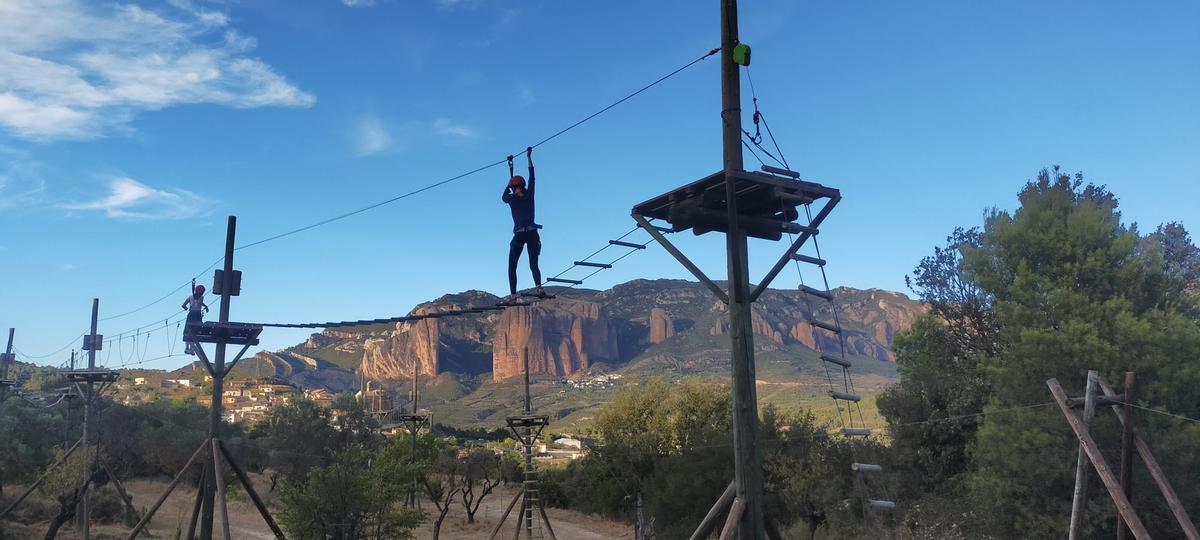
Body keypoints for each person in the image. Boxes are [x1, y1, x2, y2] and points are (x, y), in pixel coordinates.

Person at [503, 147, 543, 298]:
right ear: (523, 185)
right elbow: (532, 176)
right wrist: (528, 157)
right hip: (532, 233)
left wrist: (508, 184)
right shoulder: (530, 194)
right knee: (533, 263)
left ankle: (513, 295)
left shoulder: (511, 199)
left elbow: (503, 196)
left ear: (513, 188)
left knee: (512, 265)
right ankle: (539, 288)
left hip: (520, 235)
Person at [182, 284, 209, 355]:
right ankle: (191, 349)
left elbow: (183, 305)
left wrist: (186, 308)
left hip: (191, 315)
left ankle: (188, 348)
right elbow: (200, 302)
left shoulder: (190, 297)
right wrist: (205, 306)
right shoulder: (201, 297)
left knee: (188, 331)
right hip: (197, 315)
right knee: (195, 332)